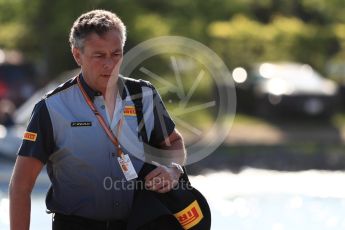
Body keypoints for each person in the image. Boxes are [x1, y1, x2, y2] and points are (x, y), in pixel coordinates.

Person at [9, 9, 210, 230]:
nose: (110, 64)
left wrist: (172, 169)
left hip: (138, 223)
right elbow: (20, 186)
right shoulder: (51, 108)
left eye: (116, 54)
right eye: (99, 55)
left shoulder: (144, 95)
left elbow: (174, 143)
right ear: (77, 55)